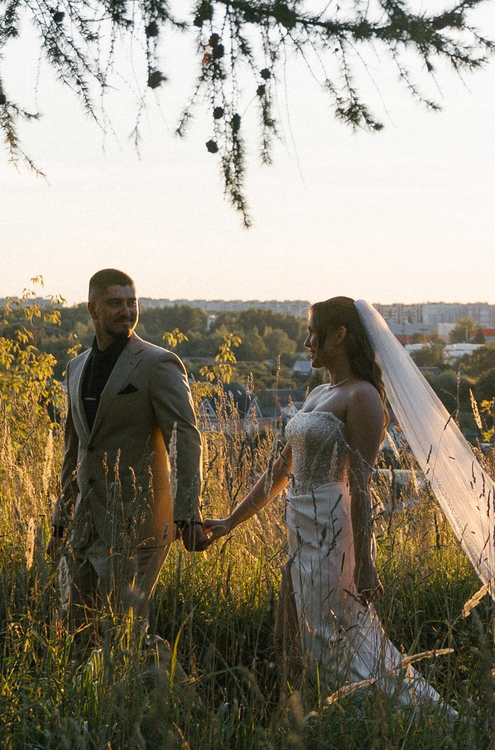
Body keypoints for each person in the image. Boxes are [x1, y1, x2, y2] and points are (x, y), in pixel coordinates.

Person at [201, 295, 442, 705]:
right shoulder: (317, 394)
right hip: (300, 531)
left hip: (333, 535)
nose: (307, 341)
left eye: (313, 332)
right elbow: (279, 472)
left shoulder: (363, 397)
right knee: (286, 640)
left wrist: (365, 565)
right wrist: (230, 521)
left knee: (331, 645)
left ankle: (370, 718)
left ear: (340, 335)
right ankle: (294, 726)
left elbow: (363, 486)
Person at [51, 268, 200, 629]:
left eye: (132, 303)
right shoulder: (75, 367)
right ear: (92, 310)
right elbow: (75, 448)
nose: (126, 311)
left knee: (126, 632)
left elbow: (186, 438)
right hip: (84, 526)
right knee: (77, 630)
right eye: (114, 303)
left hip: (139, 522)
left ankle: (170, 686)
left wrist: (187, 515)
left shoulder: (157, 363)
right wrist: (62, 512)